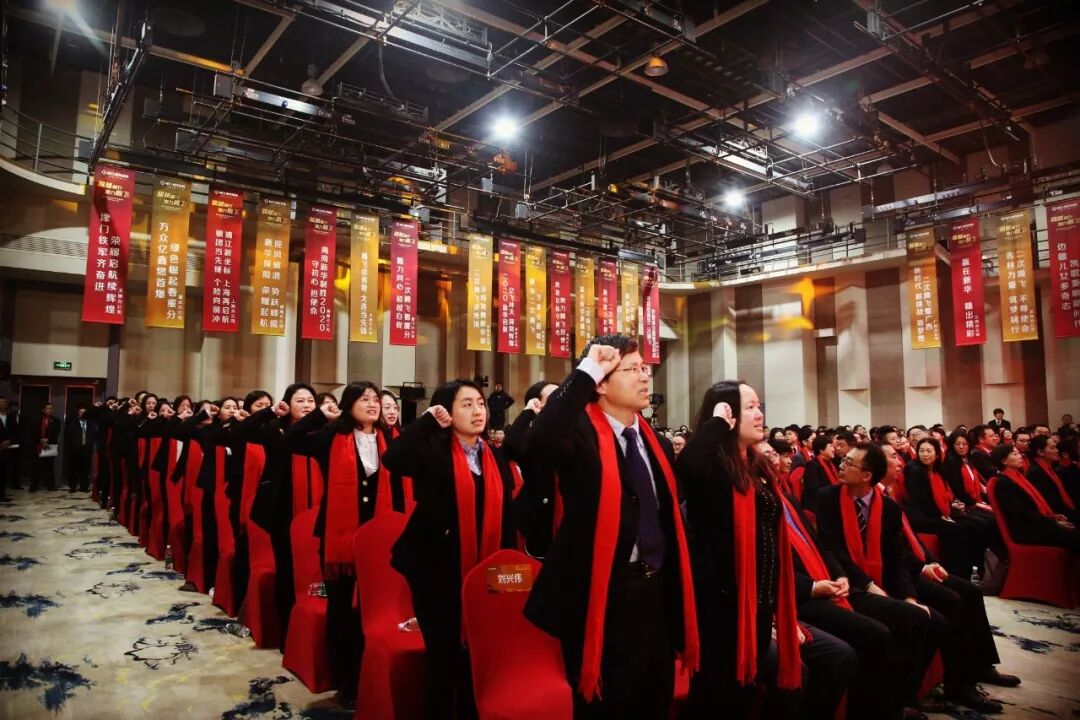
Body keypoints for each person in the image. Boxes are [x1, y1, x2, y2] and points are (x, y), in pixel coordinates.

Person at [524, 335, 698, 718]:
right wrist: (587, 370)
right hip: (601, 594)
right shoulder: (579, 436)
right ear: (601, 383)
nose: (645, 377)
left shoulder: (656, 442)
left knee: (654, 700)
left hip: (655, 593)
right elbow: (540, 437)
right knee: (605, 707)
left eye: (645, 369)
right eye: (633, 370)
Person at [384, 378, 516, 718]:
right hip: (436, 572)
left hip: (483, 570)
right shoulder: (433, 451)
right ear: (447, 411)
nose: (478, 411)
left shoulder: (494, 456)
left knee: (480, 653)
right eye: (467, 405)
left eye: (480, 403)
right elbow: (393, 458)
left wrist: (505, 579)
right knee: (444, 658)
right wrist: (427, 421)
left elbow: (506, 515)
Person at [677, 379, 800, 718]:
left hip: (759, 599)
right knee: (718, 695)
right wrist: (716, 423)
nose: (760, 414)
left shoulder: (755, 465)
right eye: (750, 408)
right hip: (722, 603)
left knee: (746, 693)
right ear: (727, 416)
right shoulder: (714, 467)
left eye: (759, 406)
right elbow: (687, 465)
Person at [286, 381, 394, 708]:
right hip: (339, 538)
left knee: (374, 607)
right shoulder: (331, 437)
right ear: (348, 404)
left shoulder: (389, 438)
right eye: (364, 399)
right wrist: (321, 415)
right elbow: (291, 438)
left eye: (376, 399)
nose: (373, 404)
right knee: (342, 610)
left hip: (377, 539)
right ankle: (346, 679)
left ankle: (371, 672)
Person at [504, 379, 561, 559]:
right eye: (553, 397)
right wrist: (528, 412)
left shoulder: (576, 433)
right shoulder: (530, 438)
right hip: (538, 521)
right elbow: (511, 446)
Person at [989, 443, 1079, 551]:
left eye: (1019, 453)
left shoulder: (1018, 477)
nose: (1020, 456)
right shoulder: (1004, 483)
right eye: (1015, 454)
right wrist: (1054, 523)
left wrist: (1052, 518)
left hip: (1036, 524)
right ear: (1004, 461)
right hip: (1027, 530)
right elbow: (1023, 513)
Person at [1026, 435, 1078, 523]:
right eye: (1053, 448)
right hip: (1056, 518)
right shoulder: (1036, 472)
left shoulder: (1049, 467)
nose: (1057, 451)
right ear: (1040, 452)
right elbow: (1051, 501)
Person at [800, 434, 840, 514]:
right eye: (830, 446)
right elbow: (813, 491)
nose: (833, 449)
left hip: (832, 505)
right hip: (819, 509)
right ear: (821, 449)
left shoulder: (832, 464)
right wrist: (836, 489)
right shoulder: (812, 465)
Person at [63, 403, 97, 492]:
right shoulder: (73, 424)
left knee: (85, 470)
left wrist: (90, 442)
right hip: (75, 450)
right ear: (78, 413)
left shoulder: (91, 424)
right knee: (74, 469)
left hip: (87, 450)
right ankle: (73, 487)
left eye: (84, 412)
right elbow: (68, 436)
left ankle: (84, 487)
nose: (83, 414)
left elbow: (94, 435)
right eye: (81, 412)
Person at [31, 402, 61, 492]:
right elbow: (32, 432)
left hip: (50, 445)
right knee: (36, 466)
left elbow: (56, 432)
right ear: (43, 410)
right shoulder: (37, 419)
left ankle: (50, 486)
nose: (49, 410)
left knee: (49, 466)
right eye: (47, 408)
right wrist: (40, 439)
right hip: (38, 444)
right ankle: (34, 486)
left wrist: (48, 439)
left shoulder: (56, 420)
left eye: (51, 408)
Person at [0, 397, 20, 497]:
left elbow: (14, 431)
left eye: (4, 402)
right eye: (0, 402)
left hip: (7, 449)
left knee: (4, 472)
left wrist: (9, 441)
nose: (2, 404)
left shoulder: (10, 417)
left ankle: (2, 494)